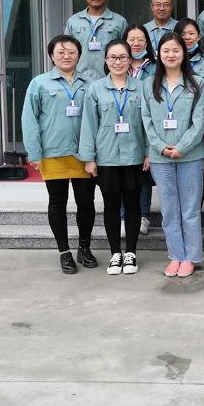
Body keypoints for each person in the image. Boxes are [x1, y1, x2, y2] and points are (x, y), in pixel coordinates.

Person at [21, 35, 99, 274]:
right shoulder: (39, 83)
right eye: (61, 52)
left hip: (84, 154)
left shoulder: (91, 83)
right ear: (52, 56)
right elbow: (29, 119)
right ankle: (64, 252)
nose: (67, 56)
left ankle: (84, 248)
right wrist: (34, 152)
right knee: (57, 204)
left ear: (79, 55)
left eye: (72, 52)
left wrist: (95, 153)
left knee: (86, 203)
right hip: (52, 153)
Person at [78, 39, 151, 276]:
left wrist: (148, 152)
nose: (117, 62)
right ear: (106, 60)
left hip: (134, 157)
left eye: (122, 57)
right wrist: (89, 158)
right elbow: (88, 125)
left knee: (132, 206)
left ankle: (131, 253)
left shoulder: (142, 88)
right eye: (113, 57)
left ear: (130, 60)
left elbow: (148, 124)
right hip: (106, 158)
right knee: (110, 207)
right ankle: (115, 254)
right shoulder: (95, 89)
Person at [141, 32, 204, 278]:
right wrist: (160, 146)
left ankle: (191, 257)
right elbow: (146, 120)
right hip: (160, 157)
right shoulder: (148, 84)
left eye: (176, 50)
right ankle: (176, 256)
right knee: (169, 210)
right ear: (158, 54)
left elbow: (199, 122)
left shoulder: (197, 82)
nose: (171, 55)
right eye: (166, 50)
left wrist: (182, 147)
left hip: (190, 155)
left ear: (184, 53)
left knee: (190, 209)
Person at [120, 24, 156, 237]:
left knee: (143, 172)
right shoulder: (118, 63)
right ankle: (123, 216)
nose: (136, 43)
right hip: (124, 123)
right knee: (123, 171)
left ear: (147, 42)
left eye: (140, 39)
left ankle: (143, 215)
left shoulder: (155, 67)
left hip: (148, 123)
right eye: (131, 39)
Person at [65, 0, 128, 78]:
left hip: (110, 79)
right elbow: (66, 51)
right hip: (79, 80)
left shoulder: (119, 21)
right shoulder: (73, 21)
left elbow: (126, 52)